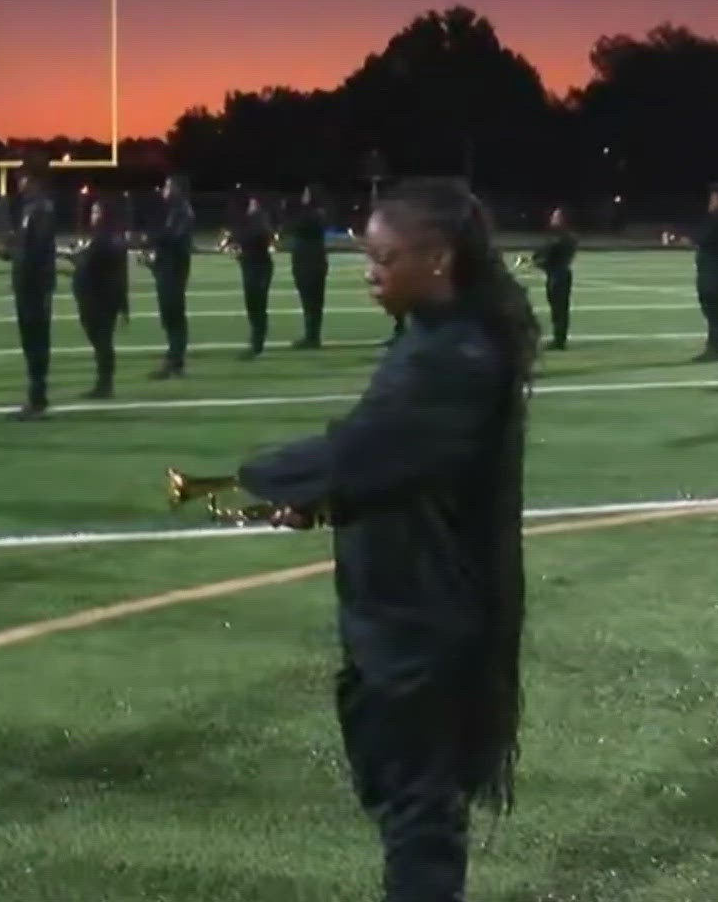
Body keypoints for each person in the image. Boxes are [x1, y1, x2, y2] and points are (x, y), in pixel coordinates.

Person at [235, 178, 537, 902]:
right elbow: (400, 466)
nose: (369, 270)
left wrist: (266, 475)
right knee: (410, 801)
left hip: (423, 611)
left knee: (419, 814)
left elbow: (368, 451)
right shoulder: (438, 339)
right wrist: (329, 499)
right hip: (407, 599)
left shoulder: (452, 355)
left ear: (435, 257)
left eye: (384, 256)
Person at [6, 153, 57, 420]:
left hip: (35, 284)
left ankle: (38, 399)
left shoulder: (41, 209)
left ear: (35, 180)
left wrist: (17, 251)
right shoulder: (30, 208)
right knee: (31, 342)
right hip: (27, 283)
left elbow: (38, 250)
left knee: (36, 342)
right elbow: (26, 246)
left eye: (24, 177)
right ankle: (36, 396)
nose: (20, 182)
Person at [665, 183, 718, 362]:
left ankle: (715, 350)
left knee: (714, 309)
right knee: (717, 310)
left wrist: (678, 240)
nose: (711, 201)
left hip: (715, 270)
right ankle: (716, 348)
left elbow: (701, 238)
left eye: (714, 197)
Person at [69, 196, 129, 399]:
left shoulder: (104, 237)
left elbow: (90, 264)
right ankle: (104, 382)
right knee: (103, 341)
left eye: (96, 212)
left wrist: (76, 257)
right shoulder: (115, 235)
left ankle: (105, 384)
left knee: (101, 341)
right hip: (107, 295)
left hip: (98, 296)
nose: (93, 216)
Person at [146, 174, 195, 379]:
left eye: (168, 185)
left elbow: (172, 237)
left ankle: (175, 361)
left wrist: (148, 238)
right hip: (168, 267)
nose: (164, 189)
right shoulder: (175, 210)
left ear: (177, 188)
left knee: (173, 314)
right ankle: (174, 359)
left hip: (174, 269)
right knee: (170, 315)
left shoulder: (182, 211)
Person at [232, 194, 276, 359]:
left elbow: (258, 236)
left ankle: (258, 343)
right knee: (252, 304)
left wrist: (239, 242)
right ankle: (256, 340)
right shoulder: (250, 219)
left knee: (258, 304)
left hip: (260, 266)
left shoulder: (259, 219)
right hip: (250, 264)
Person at [530, 206, 578, 351]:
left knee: (560, 309)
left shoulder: (564, 238)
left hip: (559, 275)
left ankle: (559, 340)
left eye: (556, 216)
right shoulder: (556, 237)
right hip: (554, 274)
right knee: (556, 308)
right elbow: (541, 253)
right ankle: (558, 338)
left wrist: (538, 261)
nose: (553, 218)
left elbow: (547, 255)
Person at [289, 184, 330, 349]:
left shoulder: (310, 214)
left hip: (307, 261)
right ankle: (313, 335)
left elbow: (296, 225)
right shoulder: (319, 213)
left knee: (310, 301)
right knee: (314, 302)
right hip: (315, 260)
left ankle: (312, 337)